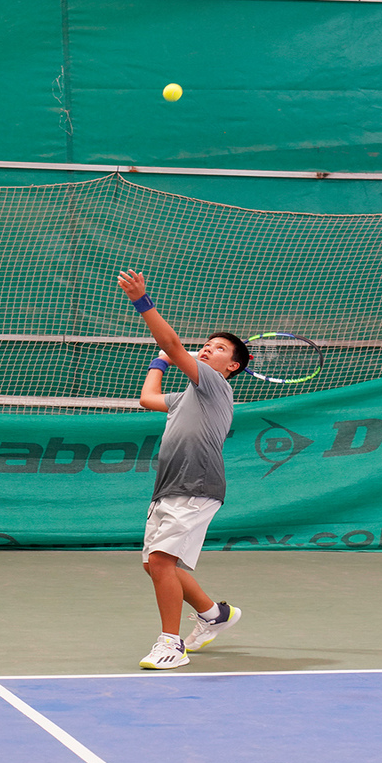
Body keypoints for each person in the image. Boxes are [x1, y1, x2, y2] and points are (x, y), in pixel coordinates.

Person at [116, 268, 248, 670]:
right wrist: (158, 362)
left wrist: (142, 302)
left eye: (219, 348)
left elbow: (173, 344)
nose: (207, 350)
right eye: (205, 345)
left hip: (197, 485)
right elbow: (148, 398)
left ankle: (170, 644)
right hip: (169, 487)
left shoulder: (215, 385)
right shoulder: (187, 396)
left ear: (232, 366)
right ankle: (214, 614)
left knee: (160, 562)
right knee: (155, 564)